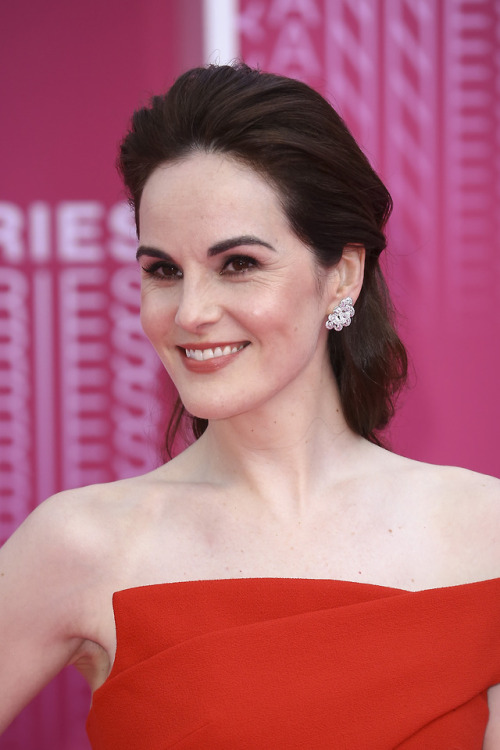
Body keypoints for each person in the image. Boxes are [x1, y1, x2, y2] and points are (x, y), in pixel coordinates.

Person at [1, 63, 499, 749]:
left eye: (237, 264)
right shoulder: (81, 545)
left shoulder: (484, 532)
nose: (192, 312)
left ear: (342, 275)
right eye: (163, 271)